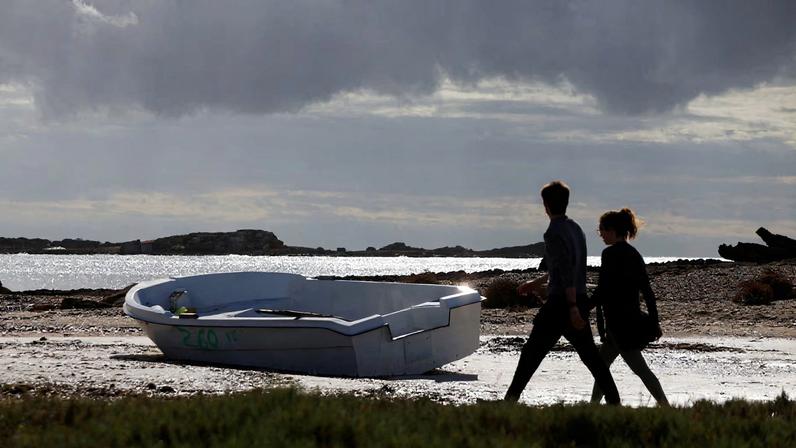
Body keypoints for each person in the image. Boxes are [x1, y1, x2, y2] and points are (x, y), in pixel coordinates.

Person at [504, 181, 620, 404]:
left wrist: (572, 306)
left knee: (531, 354)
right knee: (591, 358)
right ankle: (615, 402)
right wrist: (535, 282)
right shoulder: (575, 229)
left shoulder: (553, 232)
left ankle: (510, 400)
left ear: (546, 205)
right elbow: (561, 267)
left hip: (562, 304)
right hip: (575, 300)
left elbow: (565, 271)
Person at [589, 208, 669, 406]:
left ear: (612, 230)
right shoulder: (635, 254)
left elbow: (603, 290)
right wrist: (654, 321)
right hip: (630, 320)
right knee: (602, 366)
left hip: (618, 324)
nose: (601, 236)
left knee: (639, 369)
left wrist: (581, 307)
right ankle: (593, 405)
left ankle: (666, 405)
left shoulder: (609, 254)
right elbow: (647, 292)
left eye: (602, 231)